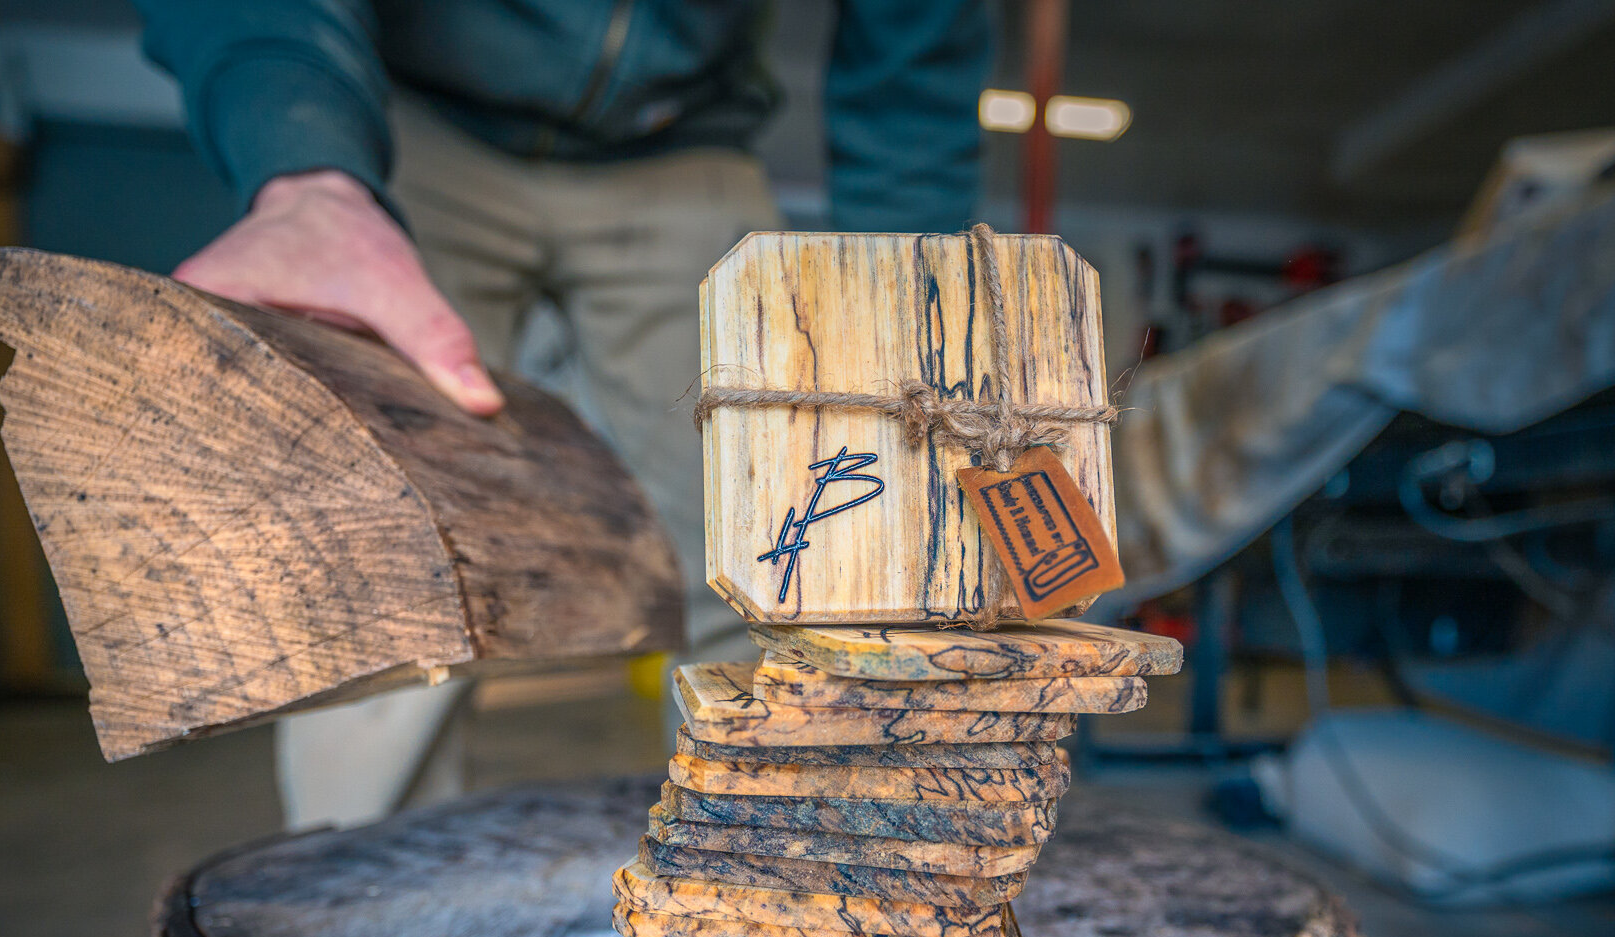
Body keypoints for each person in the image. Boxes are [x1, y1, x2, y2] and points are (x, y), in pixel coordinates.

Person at [129, 0, 992, 827]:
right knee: (381, 569)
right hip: (404, 120)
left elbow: (915, 39)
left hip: (685, 141)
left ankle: (775, 874)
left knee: (780, 544)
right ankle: (354, 891)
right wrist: (305, 161)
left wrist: (901, 294)